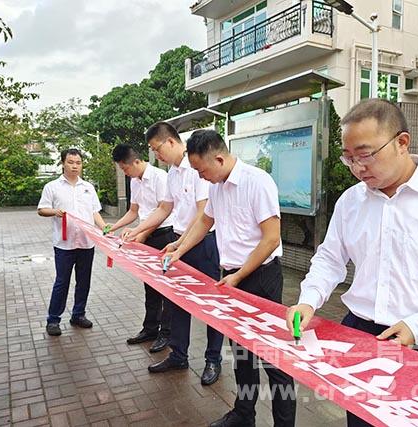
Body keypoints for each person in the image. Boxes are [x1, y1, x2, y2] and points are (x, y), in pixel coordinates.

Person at [285, 99, 418, 427]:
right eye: (349, 158)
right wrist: (308, 300)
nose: (357, 168)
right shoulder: (351, 201)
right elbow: (330, 259)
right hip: (359, 333)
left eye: (366, 154)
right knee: (361, 420)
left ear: (401, 143)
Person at [164, 129, 296, 427]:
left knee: (272, 356)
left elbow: (271, 239)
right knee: (241, 351)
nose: (200, 177)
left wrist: (238, 277)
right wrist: (179, 247)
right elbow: (205, 222)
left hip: (260, 277)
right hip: (232, 277)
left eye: (202, 170)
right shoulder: (217, 186)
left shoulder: (257, 182)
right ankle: (243, 414)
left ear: (219, 158)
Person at [125, 122, 224, 386]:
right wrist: (139, 230)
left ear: (170, 142)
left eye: (157, 149)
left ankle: (213, 359)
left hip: (202, 244)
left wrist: (182, 243)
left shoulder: (197, 167)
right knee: (176, 302)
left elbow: (205, 214)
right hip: (178, 243)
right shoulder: (171, 173)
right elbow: (164, 209)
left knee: (210, 305)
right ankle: (178, 354)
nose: (156, 155)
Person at [108, 144, 176, 353]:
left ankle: (166, 334)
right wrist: (113, 226)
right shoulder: (135, 181)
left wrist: (140, 232)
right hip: (145, 235)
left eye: (125, 169)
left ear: (136, 161)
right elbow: (133, 211)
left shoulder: (160, 178)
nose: (125, 173)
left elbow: (162, 212)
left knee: (166, 289)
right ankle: (150, 329)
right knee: (150, 286)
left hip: (164, 235)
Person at [38, 148, 108, 337]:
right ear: (63, 163)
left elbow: (95, 213)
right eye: (71, 162)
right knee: (62, 282)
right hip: (64, 244)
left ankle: (78, 314)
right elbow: (41, 209)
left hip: (86, 243)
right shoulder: (52, 187)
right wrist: (55, 212)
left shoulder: (88, 187)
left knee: (83, 281)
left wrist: (104, 228)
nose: (75, 166)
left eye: (78, 163)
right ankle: (53, 320)